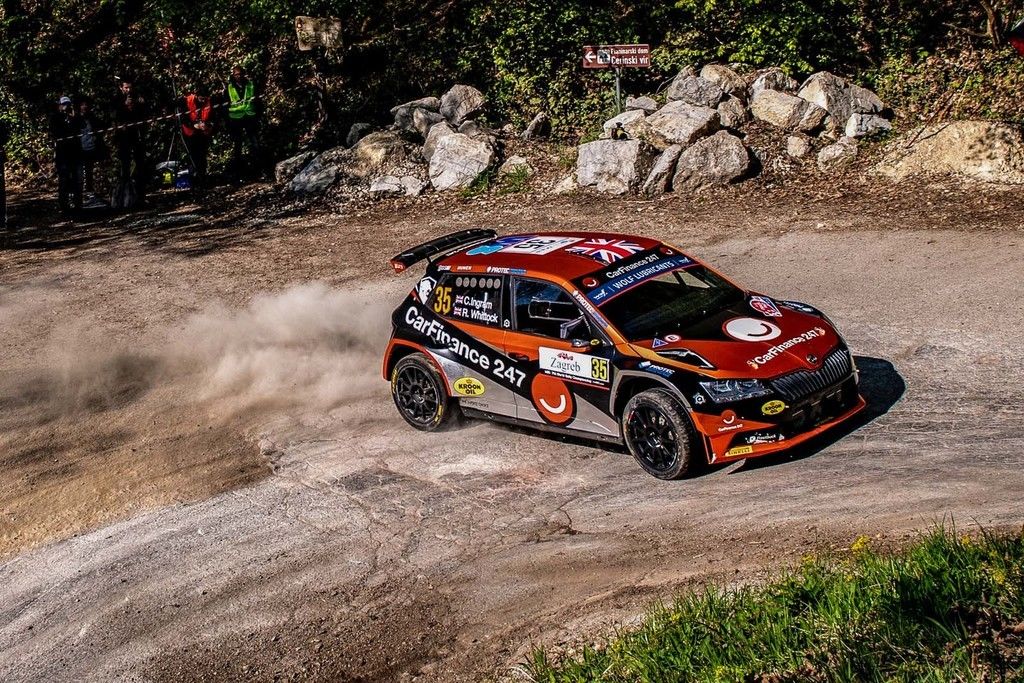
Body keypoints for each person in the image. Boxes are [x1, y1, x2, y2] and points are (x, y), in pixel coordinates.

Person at [111, 78, 148, 206]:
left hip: (137, 136)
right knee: (125, 167)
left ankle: (140, 197)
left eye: (130, 87)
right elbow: (113, 115)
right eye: (126, 88)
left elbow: (144, 113)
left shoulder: (137, 97)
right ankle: (124, 199)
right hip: (123, 138)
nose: (128, 90)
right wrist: (123, 106)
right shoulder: (116, 100)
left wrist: (141, 104)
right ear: (121, 88)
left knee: (140, 166)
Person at [225, 65, 261, 181]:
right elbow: (225, 106)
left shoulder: (250, 85)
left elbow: (258, 100)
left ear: (244, 74)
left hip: (250, 117)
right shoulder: (229, 88)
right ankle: (238, 174)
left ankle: (258, 171)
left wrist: (258, 115)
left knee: (255, 144)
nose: (238, 76)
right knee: (238, 146)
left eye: (240, 74)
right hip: (236, 119)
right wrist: (228, 122)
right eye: (236, 74)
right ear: (233, 75)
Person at [50, 96, 82, 216]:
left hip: (75, 153)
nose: (66, 107)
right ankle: (64, 206)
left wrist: (74, 117)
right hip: (63, 154)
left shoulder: (74, 116)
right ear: (59, 105)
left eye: (68, 105)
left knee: (77, 180)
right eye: (64, 105)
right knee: (64, 180)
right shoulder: (55, 117)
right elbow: (55, 132)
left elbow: (81, 127)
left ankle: (78, 205)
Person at [176, 89, 215, 190]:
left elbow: (212, 116)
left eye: (205, 99)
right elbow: (183, 119)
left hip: (202, 132)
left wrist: (207, 125)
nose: (203, 101)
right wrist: (194, 125)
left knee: (202, 155)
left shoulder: (208, 101)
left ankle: (202, 178)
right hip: (189, 132)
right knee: (192, 156)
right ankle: (194, 181)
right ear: (196, 96)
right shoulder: (186, 101)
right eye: (201, 99)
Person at [76, 97, 108, 202]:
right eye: (82, 105)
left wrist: (97, 136)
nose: (84, 107)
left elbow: (103, 125)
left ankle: (92, 192)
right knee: (80, 174)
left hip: (92, 148)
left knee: (91, 171)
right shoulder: (76, 119)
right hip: (80, 150)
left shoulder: (92, 118)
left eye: (86, 105)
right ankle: (81, 195)